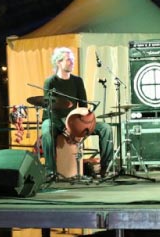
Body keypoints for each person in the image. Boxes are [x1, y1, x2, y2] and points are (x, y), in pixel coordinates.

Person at [40, 47, 114, 179]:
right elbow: (49, 109)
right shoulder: (50, 81)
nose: (72, 62)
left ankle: (105, 169)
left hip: (75, 120)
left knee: (106, 128)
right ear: (59, 62)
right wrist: (65, 128)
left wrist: (82, 125)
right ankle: (50, 171)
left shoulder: (77, 81)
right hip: (55, 120)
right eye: (68, 60)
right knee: (46, 130)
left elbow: (83, 106)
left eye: (72, 59)